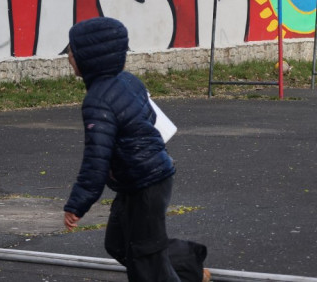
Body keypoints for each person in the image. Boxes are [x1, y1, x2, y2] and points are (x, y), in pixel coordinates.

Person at [62, 16, 210, 282]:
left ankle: (184, 269)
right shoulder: (130, 82)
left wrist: (77, 204)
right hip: (141, 180)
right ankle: (189, 265)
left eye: (73, 50)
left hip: (146, 183)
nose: (69, 56)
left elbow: (95, 161)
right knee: (119, 243)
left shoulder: (97, 102)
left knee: (146, 261)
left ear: (91, 56)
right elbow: (151, 121)